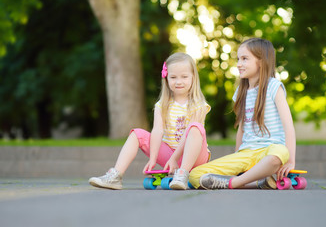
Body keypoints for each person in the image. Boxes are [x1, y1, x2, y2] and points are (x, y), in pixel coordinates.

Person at [89, 52, 211, 190]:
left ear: (193, 78)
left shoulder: (198, 105)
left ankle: (182, 174)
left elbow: (189, 135)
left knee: (194, 127)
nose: (178, 81)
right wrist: (153, 158)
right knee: (137, 134)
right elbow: (157, 131)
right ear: (166, 78)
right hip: (170, 155)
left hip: (195, 157)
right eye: (173, 77)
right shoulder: (162, 105)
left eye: (184, 77)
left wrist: (174, 158)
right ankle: (115, 176)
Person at [189, 38, 296, 190]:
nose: (239, 64)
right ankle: (258, 182)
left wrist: (290, 160)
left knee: (280, 152)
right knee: (194, 175)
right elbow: (241, 128)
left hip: (270, 151)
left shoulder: (274, 87)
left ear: (261, 61)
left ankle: (234, 183)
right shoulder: (241, 91)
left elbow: (288, 125)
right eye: (238, 59)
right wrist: (236, 159)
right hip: (247, 153)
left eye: (245, 59)